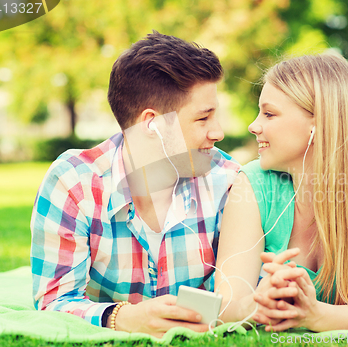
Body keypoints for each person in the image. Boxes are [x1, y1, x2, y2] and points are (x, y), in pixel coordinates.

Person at [30, 31, 240, 337]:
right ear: (152, 124)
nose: (218, 132)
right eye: (203, 118)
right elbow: (53, 301)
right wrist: (124, 318)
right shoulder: (73, 183)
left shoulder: (228, 180)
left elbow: (244, 293)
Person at [214, 53, 348, 332]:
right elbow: (228, 304)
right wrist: (262, 302)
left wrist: (311, 314)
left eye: (269, 113)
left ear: (319, 121)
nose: (254, 125)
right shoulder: (252, 182)